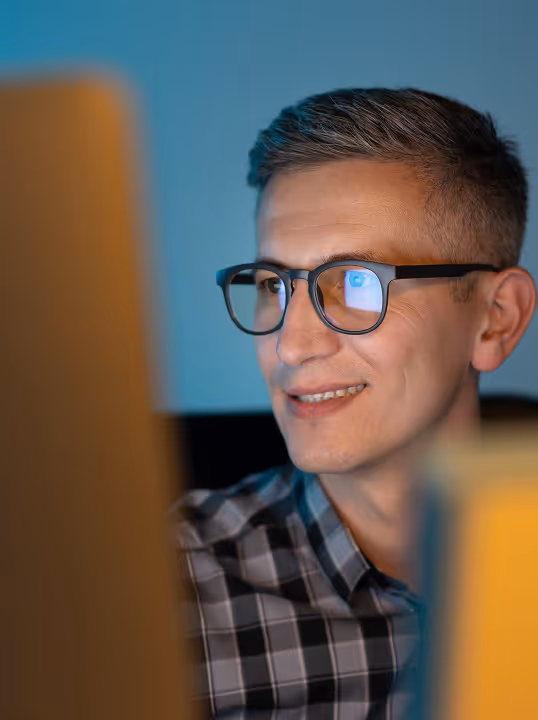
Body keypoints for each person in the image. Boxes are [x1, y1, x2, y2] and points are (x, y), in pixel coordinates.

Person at [175, 88, 536, 719]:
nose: (290, 344)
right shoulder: (158, 599)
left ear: (494, 322)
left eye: (355, 283)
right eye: (271, 285)